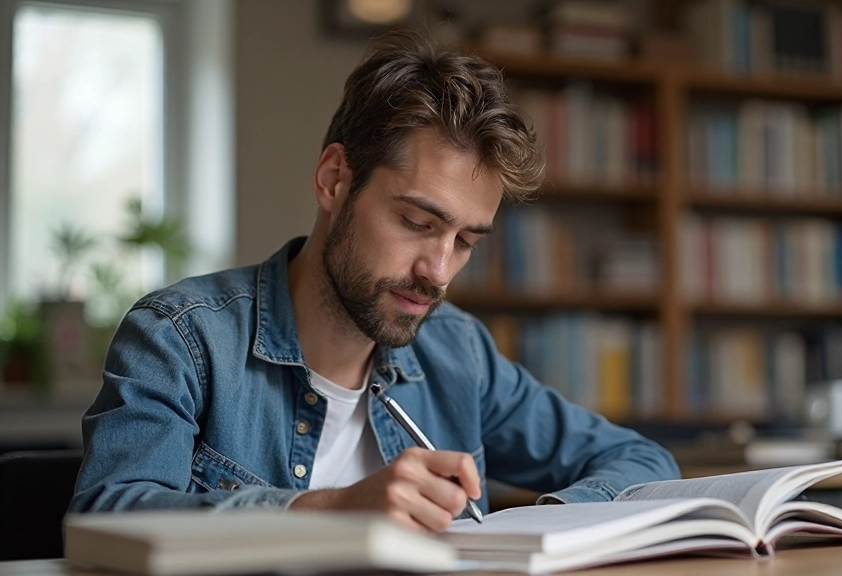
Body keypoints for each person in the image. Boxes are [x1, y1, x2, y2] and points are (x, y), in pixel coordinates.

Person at [70, 29, 679, 533]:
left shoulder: (458, 352)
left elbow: (641, 462)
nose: (438, 272)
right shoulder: (181, 339)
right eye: (417, 222)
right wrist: (330, 512)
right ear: (335, 179)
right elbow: (107, 521)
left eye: (466, 241)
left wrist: (537, 528)